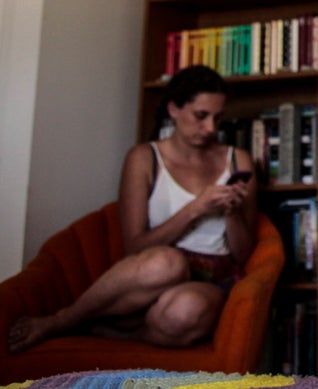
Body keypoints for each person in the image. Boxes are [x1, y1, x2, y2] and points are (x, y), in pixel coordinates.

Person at [7, 66, 256, 352]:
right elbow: (135, 247)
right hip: (153, 271)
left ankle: (113, 332)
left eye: (218, 118)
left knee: (185, 311)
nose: (211, 128)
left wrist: (232, 212)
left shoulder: (238, 160)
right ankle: (62, 321)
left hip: (210, 278)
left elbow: (244, 254)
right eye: (201, 116)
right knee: (167, 263)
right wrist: (195, 208)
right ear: (174, 109)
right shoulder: (143, 158)